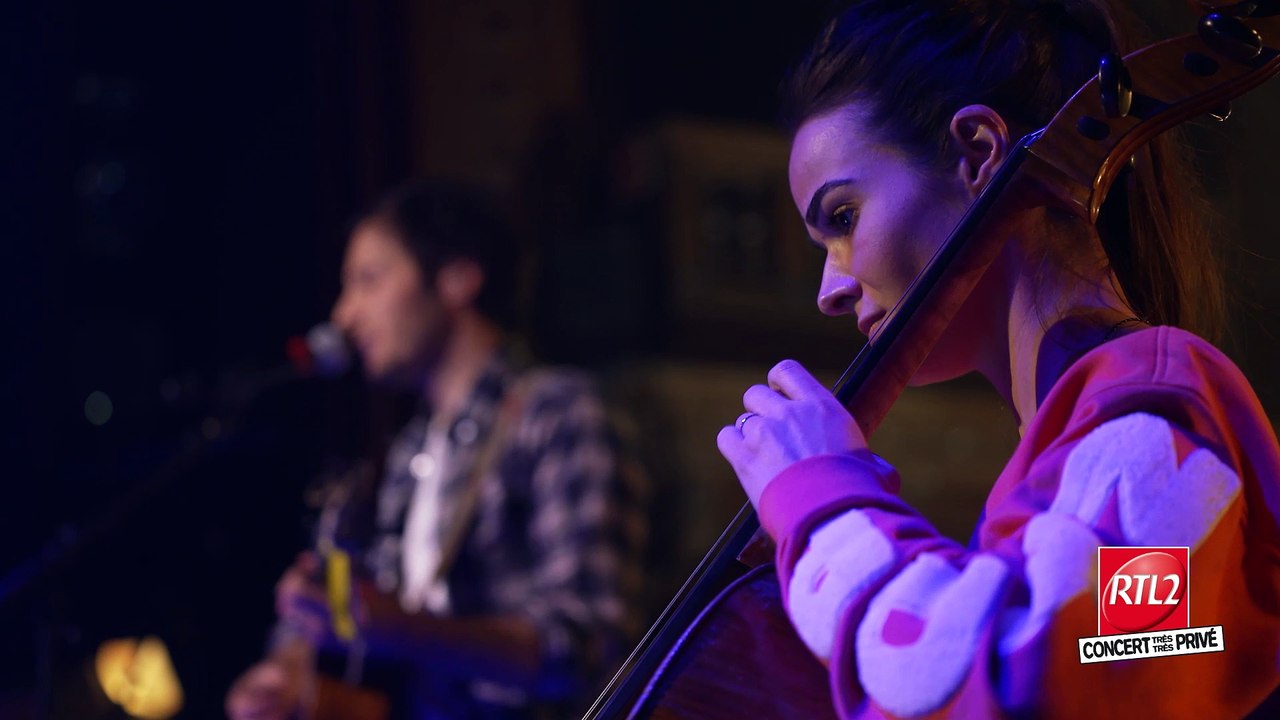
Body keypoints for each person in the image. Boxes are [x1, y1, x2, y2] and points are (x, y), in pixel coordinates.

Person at [716, 1, 1280, 717]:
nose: (830, 289)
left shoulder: (1154, 404)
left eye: (845, 218)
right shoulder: (1079, 438)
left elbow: (1047, 683)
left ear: (979, 152)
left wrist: (826, 503)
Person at [226, 181, 647, 720]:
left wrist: (400, 629)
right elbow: (364, 609)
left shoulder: (559, 412)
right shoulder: (411, 450)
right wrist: (290, 659)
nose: (344, 316)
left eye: (369, 280)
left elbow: (595, 650)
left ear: (457, 279)